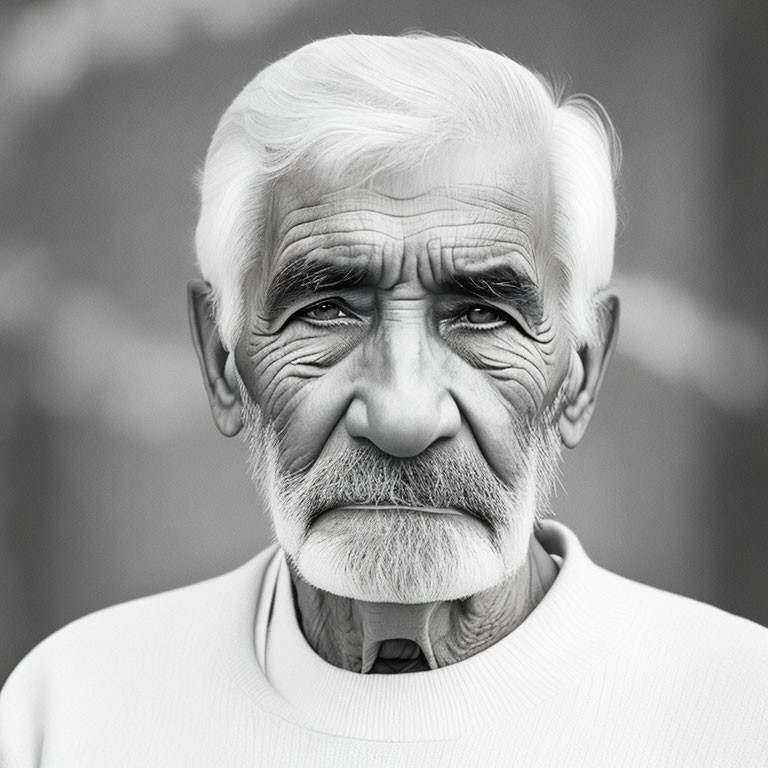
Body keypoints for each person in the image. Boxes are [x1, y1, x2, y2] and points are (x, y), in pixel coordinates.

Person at [1, 33, 767, 767]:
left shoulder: (742, 715)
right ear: (221, 360)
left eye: (482, 314)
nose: (403, 416)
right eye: (325, 308)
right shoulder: (69, 712)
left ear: (580, 374)